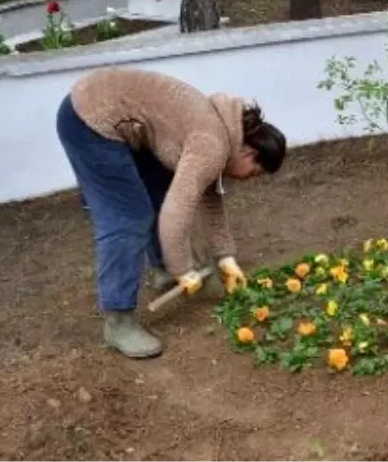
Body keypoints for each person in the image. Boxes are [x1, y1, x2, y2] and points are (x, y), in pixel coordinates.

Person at [55, 66, 287, 358]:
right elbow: (176, 213)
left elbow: (210, 197)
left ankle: (164, 270)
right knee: (129, 217)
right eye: (255, 172)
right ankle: (119, 322)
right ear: (250, 152)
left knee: (162, 190)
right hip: (89, 119)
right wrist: (185, 269)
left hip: (127, 121)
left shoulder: (225, 133)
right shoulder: (212, 144)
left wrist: (225, 257)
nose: (249, 178)